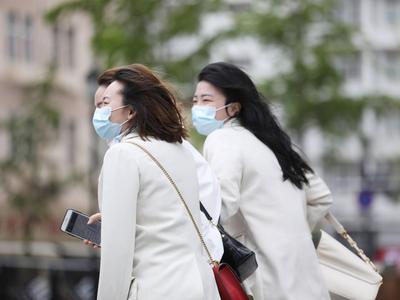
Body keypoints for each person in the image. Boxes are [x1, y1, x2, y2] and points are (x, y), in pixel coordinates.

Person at [192, 62, 333, 299]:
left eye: (206, 100)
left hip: (264, 279)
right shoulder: (274, 143)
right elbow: (321, 197)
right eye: (195, 100)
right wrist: (288, 230)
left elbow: (219, 209)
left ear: (233, 107)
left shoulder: (222, 139)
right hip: (306, 276)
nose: (197, 107)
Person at [92, 64, 220, 299]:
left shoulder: (123, 154)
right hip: (201, 286)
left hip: (158, 287)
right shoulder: (180, 150)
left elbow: (117, 253)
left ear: (130, 111)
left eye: (106, 103)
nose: (101, 111)